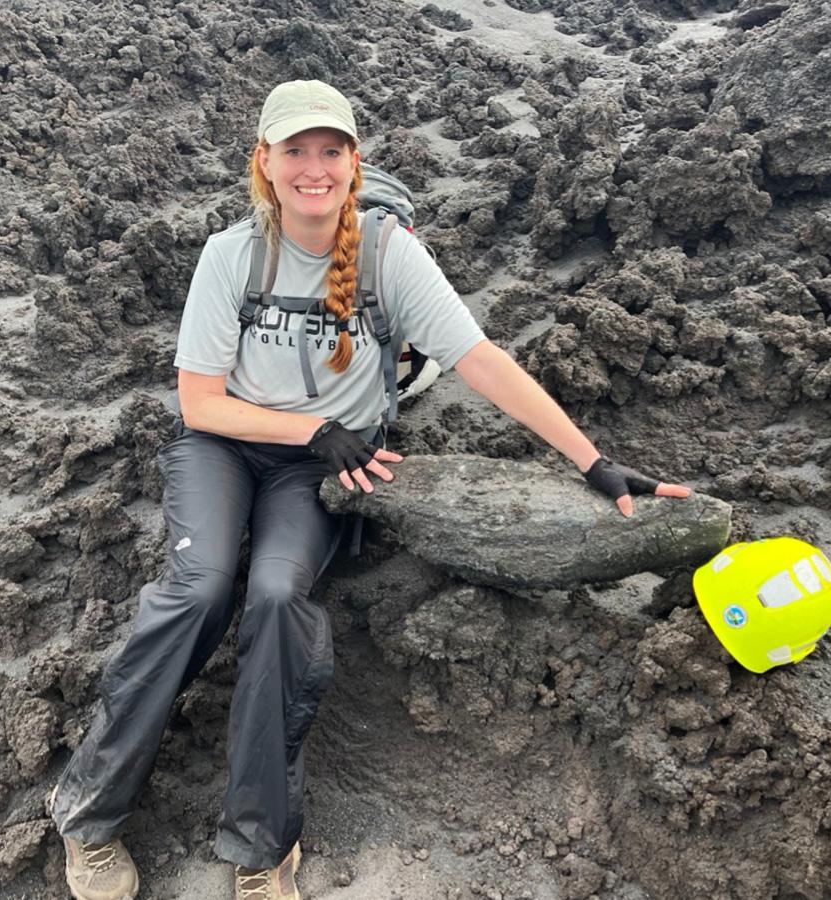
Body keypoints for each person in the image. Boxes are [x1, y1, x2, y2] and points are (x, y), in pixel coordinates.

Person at [47, 79, 692, 900]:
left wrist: (591, 460)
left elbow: (481, 360)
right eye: (295, 151)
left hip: (322, 472)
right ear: (265, 163)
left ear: (355, 163)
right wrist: (313, 427)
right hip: (227, 446)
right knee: (199, 586)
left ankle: (261, 843)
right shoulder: (231, 254)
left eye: (331, 151)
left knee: (280, 594)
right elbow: (199, 402)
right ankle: (88, 813)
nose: (313, 168)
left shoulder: (390, 252)